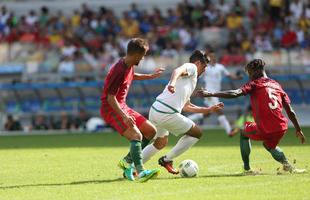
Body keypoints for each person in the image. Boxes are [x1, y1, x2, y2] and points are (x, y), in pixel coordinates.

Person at [196, 59, 306, 174]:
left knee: (244, 133)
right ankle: (289, 167)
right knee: (269, 145)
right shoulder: (276, 85)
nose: (249, 76)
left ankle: (247, 169)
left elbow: (235, 93)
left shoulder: (255, 84)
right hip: (281, 127)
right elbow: (290, 111)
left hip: (266, 128)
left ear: (255, 72)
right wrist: (298, 129)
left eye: (249, 73)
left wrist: (211, 93)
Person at [141, 50, 224, 174]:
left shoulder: (190, 80)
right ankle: (167, 160)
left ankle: (133, 166)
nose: (205, 69)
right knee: (197, 132)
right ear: (197, 62)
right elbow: (177, 71)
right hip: (166, 112)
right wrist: (172, 84)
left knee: (160, 142)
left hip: (156, 109)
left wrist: (209, 109)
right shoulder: (192, 67)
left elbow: (187, 106)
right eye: (204, 66)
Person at [100, 38, 164, 182]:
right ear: (136, 54)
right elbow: (110, 98)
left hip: (121, 105)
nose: (143, 58)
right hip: (111, 108)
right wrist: (124, 116)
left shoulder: (127, 64)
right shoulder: (119, 69)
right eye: (143, 55)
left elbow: (131, 76)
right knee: (136, 136)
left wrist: (150, 76)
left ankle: (127, 162)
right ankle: (141, 172)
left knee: (150, 131)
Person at [188, 49, 242, 137]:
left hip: (215, 93)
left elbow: (229, 75)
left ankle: (187, 119)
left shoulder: (220, 67)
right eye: (211, 56)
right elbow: (198, 77)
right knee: (219, 110)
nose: (213, 58)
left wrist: (237, 77)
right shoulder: (206, 67)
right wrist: (198, 89)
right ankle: (229, 131)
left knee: (207, 114)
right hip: (209, 92)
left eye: (214, 56)